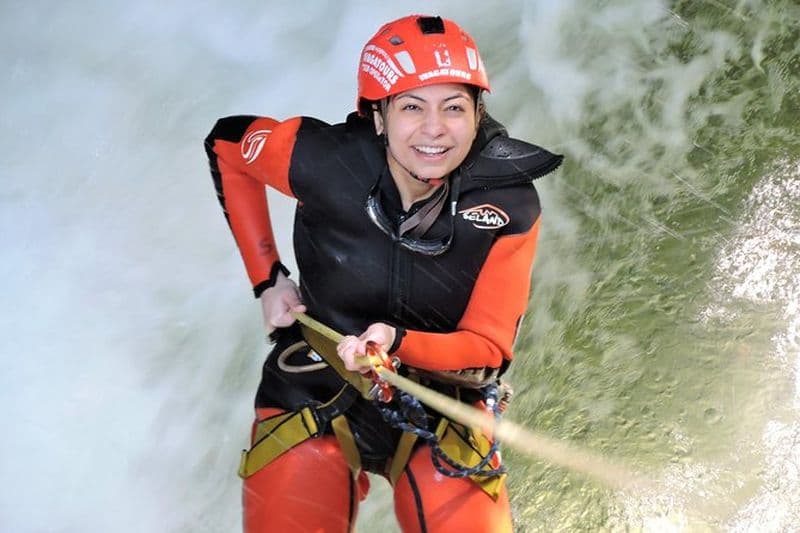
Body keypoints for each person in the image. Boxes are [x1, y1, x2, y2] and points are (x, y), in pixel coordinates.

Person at [204, 14, 562, 533]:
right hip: (315, 381)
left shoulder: (507, 204)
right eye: (412, 107)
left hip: (442, 404)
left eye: (455, 107)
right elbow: (227, 146)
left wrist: (397, 342)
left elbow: (487, 348)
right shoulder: (323, 159)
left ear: (479, 112)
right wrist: (267, 277)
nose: (435, 129)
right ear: (378, 115)